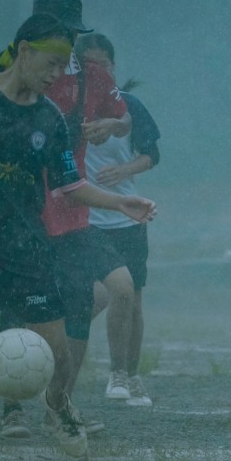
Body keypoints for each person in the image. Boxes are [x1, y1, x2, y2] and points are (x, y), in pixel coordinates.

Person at [0, 13, 155, 461]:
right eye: (53, 62)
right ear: (24, 51)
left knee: (58, 352)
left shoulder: (49, 118)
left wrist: (121, 203)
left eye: (65, 65)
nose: (58, 74)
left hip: (23, 244)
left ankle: (58, 409)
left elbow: (69, 185)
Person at [77, 33, 160, 407]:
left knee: (133, 298)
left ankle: (129, 375)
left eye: (104, 65)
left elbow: (152, 155)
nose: (99, 72)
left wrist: (124, 169)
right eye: (90, 66)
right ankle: (67, 356)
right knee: (98, 295)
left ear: (114, 66)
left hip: (128, 216)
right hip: (86, 218)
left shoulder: (130, 105)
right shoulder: (70, 104)